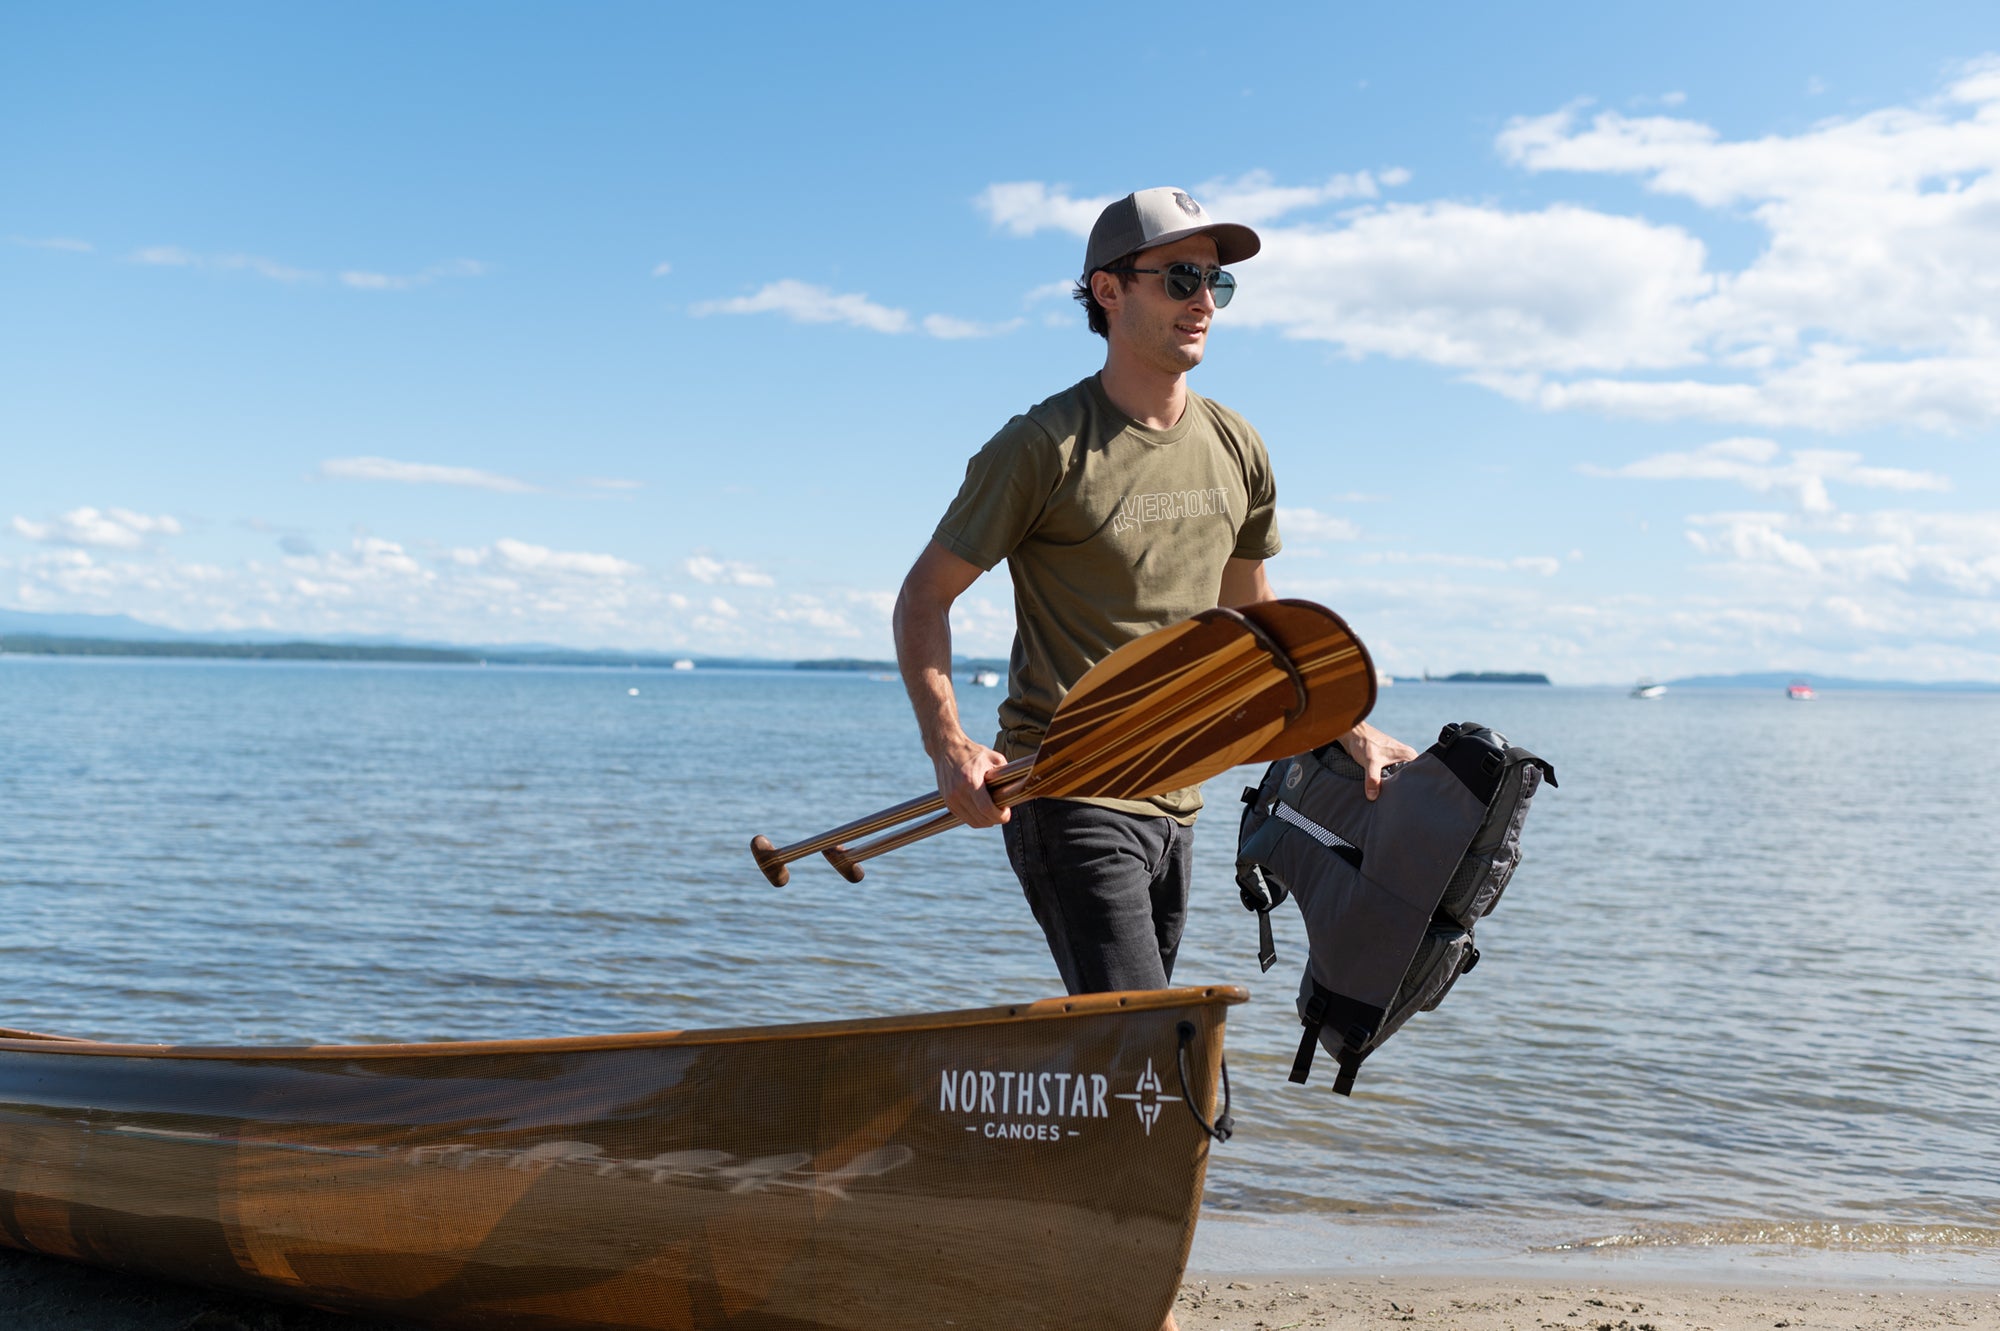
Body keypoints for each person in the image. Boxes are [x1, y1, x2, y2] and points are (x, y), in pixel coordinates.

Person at [894, 186, 1415, 1001]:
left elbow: (1256, 624)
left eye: (1217, 282)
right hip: (1064, 784)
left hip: (1177, 788)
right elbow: (924, 597)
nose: (1204, 301)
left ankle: (1024, 1126)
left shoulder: (1238, 446)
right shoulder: (1043, 446)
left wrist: (1343, 726)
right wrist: (951, 746)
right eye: (1179, 278)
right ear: (1109, 290)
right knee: (1156, 1042)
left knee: (1129, 1067)